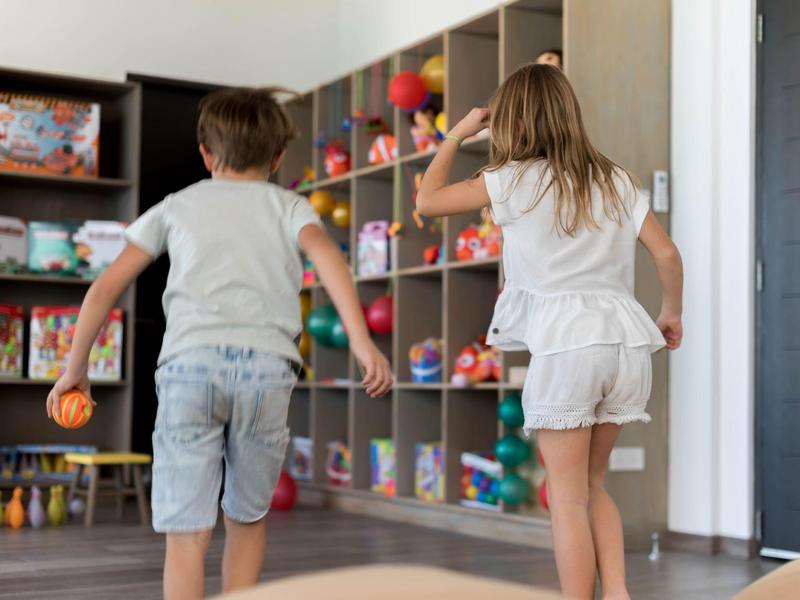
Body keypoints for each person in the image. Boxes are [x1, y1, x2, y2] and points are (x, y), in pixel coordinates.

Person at [46, 87, 393, 600]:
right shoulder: (290, 206)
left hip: (189, 368)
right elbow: (330, 262)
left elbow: (103, 289)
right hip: (268, 371)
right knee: (247, 517)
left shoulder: (177, 206)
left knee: (186, 531)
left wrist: (75, 369)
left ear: (206, 153)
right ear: (278, 158)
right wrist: (362, 343)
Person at [416, 64, 682, 600]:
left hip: (568, 347)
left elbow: (427, 199)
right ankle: (619, 592)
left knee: (566, 497)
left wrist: (458, 133)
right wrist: (670, 312)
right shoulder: (615, 178)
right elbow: (667, 254)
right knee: (594, 484)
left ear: (510, 121)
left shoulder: (509, 180)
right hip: (626, 344)